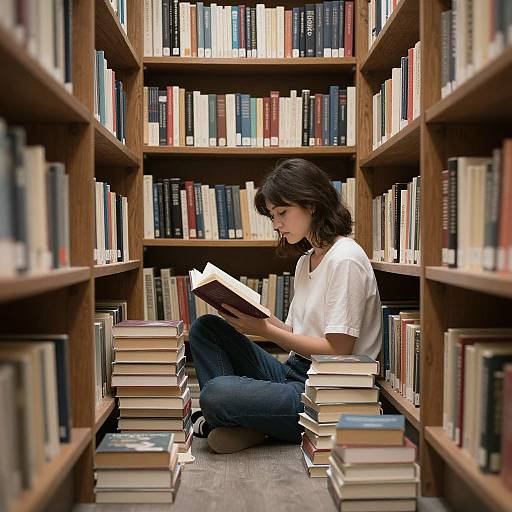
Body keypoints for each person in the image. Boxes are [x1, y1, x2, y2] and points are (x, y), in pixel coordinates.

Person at [189, 158, 382, 454]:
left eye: (282, 213)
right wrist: (248, 313)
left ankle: (241, 423)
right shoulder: (307, 260)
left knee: (214, 394)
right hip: (293, 372)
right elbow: (296, 331)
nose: (277, 224)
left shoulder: (345, 258)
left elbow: (338, 351)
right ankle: (252, 424)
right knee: (206, 328)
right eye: (272, 216)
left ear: (312, 204)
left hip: (323, 394)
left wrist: (263, 329)